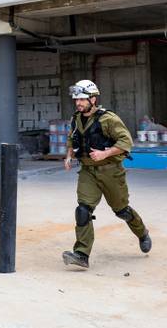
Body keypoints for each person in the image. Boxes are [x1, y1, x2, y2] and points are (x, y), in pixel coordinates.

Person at [62, 79, 152, 269]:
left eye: (82, 99)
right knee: (82, 210)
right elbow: (72, 139)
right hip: (88, 171)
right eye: (76, 99)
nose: (78, 103)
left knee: (122, 211)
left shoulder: (108, 119)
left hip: (111, 171)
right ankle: (81, 254)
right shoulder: (76, 118)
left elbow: (126, 142)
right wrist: (69, 156)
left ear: (93, 99)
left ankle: (142, 233)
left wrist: (105, 153)